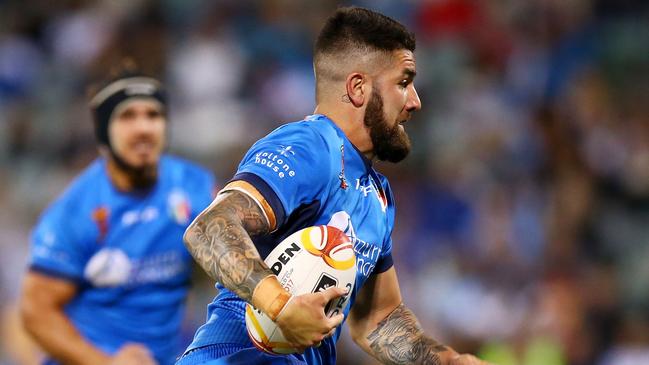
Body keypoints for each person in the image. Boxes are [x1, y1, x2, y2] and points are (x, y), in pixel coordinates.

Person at [178, 6, 493, 365]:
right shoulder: (310, 146)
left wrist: (449, 362)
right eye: (404, 82)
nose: (415, 101)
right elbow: (208, 229)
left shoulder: (378, 196)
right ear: (358, 87)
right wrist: (280, 306)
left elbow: (378, 320)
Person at [19, 64, 216, 365]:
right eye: (127, 116)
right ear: (103, 133)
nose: (143, 128)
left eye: (154, 115)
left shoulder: (195, 186)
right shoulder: (76, 210)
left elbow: (228, 258)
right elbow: (36, 311)